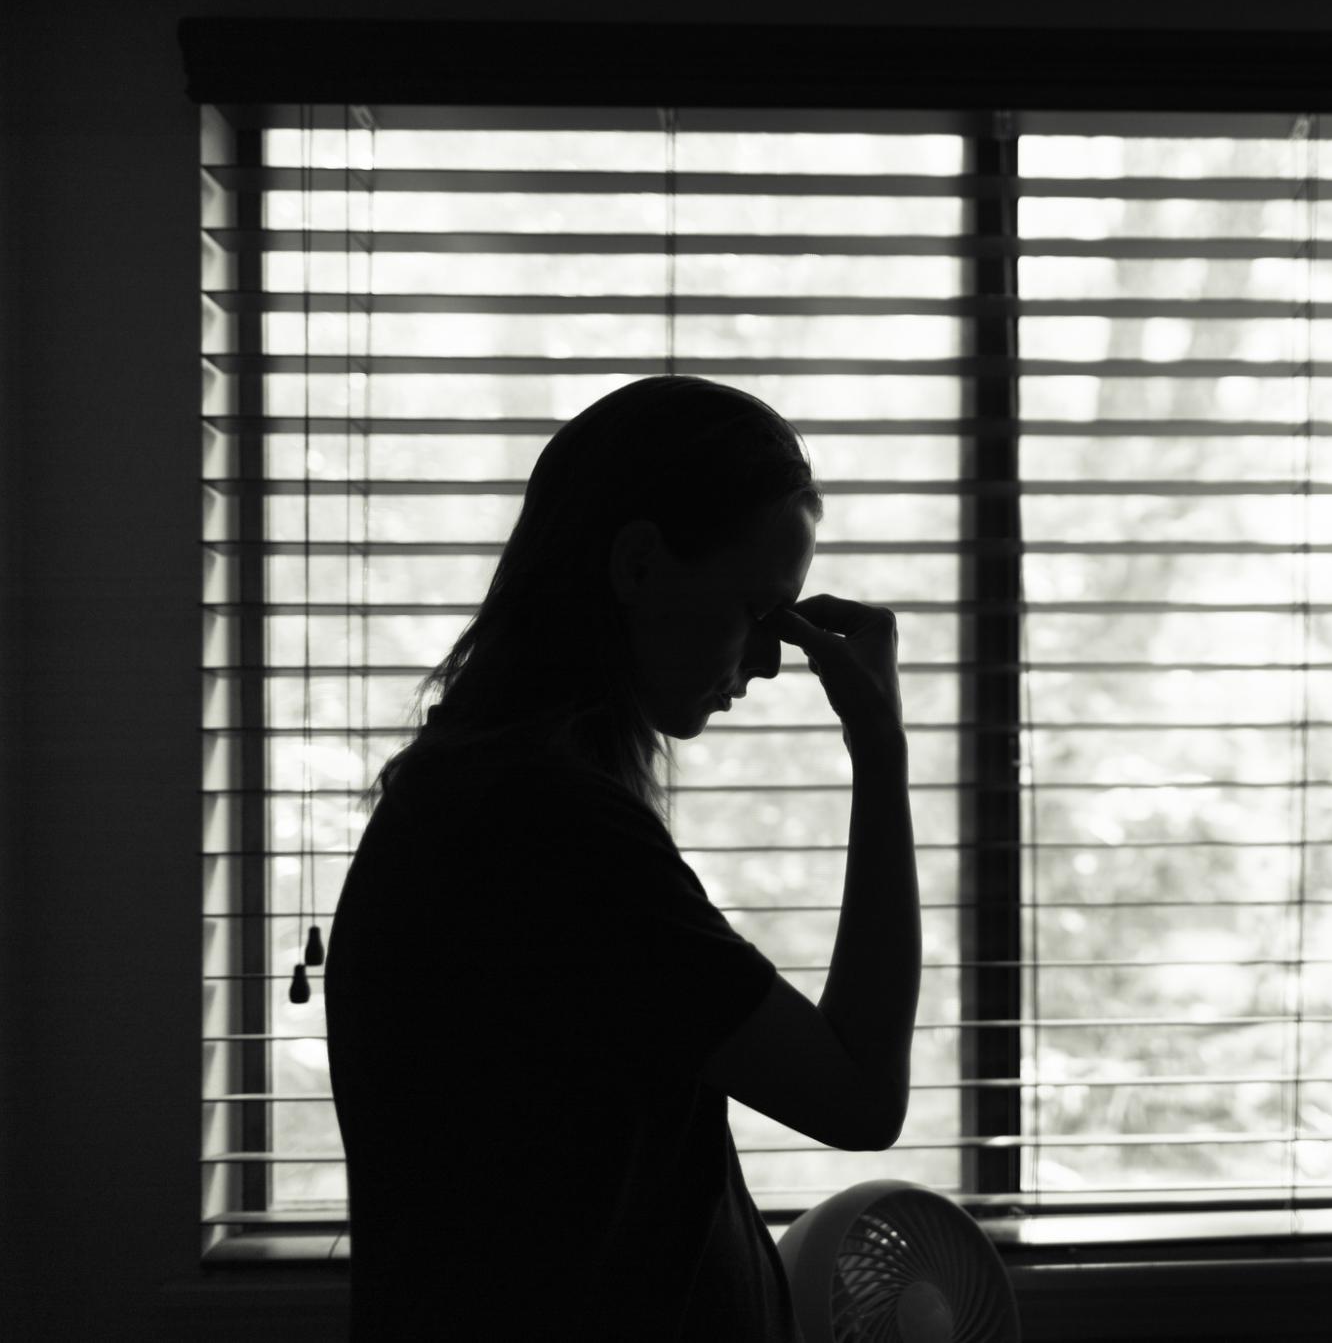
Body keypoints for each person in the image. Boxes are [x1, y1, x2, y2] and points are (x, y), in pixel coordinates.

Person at [324, 375, 919, 1341]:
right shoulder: (545, 834)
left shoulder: (490, 796)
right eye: (757, 610)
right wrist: (880, 750)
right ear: (638, 564)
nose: (771, 662)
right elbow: (858, 1097)